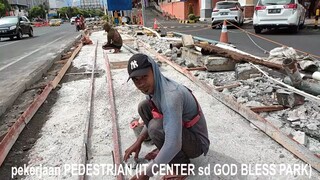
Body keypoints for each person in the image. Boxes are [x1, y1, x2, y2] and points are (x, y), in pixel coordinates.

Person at [123, 53, 210, 179]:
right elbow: (157, 114)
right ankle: (165, 151)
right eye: (136, 79)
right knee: (144, 107)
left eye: (144, 77)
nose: (140, 83)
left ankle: (182, 167)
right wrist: (139, 140)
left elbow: (173, 143)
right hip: (181, 131)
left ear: (154, 71)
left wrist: (146, 174)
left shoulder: (171, 96)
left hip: (196, 144)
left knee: (155, 127)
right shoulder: (154, 88)